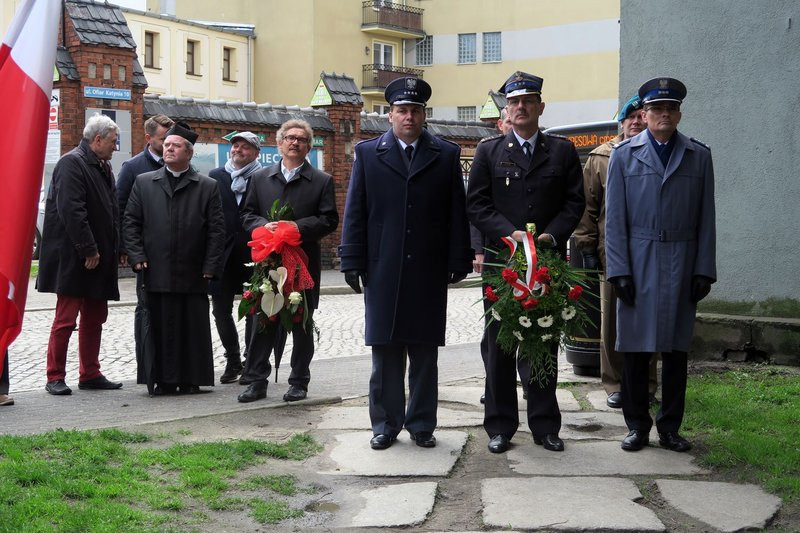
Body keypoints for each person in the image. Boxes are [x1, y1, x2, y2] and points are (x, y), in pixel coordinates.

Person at [339, 77, 473, 450]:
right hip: (382, 267)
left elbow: (455, 212)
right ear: (390, 115)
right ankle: (384, 423)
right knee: (385, 350)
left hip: (427, 268)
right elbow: (356, 210)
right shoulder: (368, 153)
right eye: (402, 111)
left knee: (424, 349)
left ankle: (422, 424)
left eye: (415, 111)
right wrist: (351, 258)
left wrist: (458, 256)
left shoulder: (445, 154)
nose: (408, 117)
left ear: (424, 114)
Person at [467, 71, 585, 454]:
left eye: (528, 101)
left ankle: (545, 425)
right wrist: (510, 234)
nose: (520, 107)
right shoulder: (488, 151)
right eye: (514, 102)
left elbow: (574, 202)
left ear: (540, 107)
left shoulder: (562, 151)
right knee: (500, 344)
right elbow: (478, 204)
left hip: (547, 261)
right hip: (503, 264)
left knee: (543, 341)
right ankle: (500, 426)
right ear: (507, 109)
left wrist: (552, 235)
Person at [605, 77, 716, 452]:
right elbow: (614, 220)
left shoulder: (698, 156)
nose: (663, 114)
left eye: (670, 108)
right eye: (655, 109)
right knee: (635, 350)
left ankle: (670, 426)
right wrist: (618, 271)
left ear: (679, 114)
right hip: (638, 260)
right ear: (644, 114)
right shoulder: (623, 155)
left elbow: (706, 218)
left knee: (675, 351)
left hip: (682, 261)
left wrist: (704, 269)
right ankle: (637, 424)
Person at [237, 119, 339, 404]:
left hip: (302, 264)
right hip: (267, 263)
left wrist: (298, 228)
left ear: (309, 146)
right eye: (290, 138)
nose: (295, 142)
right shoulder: (259, 179)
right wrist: (262, 226)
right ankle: (256, 380)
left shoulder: (321, 180)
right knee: (263, 321)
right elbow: (246, 214)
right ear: (279, 143)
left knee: (301, 322)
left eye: (301, 139)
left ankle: (298, 381)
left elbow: (329, 219)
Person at [123, 123, 226, 395]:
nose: (169, 148)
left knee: (191, 326)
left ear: (189, 153)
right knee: (158, 326)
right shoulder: (145, 182)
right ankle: (161, 379)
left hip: (193, 271)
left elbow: (217, 231)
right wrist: (136, 255)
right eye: (167, 144)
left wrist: (210, 266)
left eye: (176, 145)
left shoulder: (207, 186)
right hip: (154, 269)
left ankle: (191, 379)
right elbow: (130, 223)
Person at [573, 95, 658, 409]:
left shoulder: (656, 153)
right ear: (620, 123)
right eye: (629, 117)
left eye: (640, 116)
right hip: (612, 253)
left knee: (648, 320)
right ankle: (614, 383)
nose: (635, 121)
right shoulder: (601, 157)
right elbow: (587, 209)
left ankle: (647, 385)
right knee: (611, 323)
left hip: (649, 254)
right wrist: (587, 248)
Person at [36, 114, 124, 396]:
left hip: (98, 256)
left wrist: (117, 248)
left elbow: (112, 211)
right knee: (66, 319)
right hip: (76, 257)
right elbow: (72, 211)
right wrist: (88, 249)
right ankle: (55, 376)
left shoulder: (102, 166)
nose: (116, 147)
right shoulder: (71, 163)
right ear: (97, 140)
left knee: (95, 317)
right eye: (113, 141)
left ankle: (90, 373)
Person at [473, 107, 529, 405]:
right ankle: (493, 386)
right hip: (497, 254)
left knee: (534, 324)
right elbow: (476, 209)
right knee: (496, 330)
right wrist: (479, 251)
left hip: (534, 255)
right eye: (508, 120)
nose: (513, 124)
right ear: (501, 123)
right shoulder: (488, 152)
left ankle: (531, 383)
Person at [116, 114, 174, 362]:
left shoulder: (178, 163)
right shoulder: (133, 167)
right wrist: (126, 247)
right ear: (149, 138)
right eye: (164, 139)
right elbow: (120, 209)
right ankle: (148, 361)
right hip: (146, 251)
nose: (169, 145)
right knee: (147, 306)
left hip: (175, 250)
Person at [208, 131, 262, 384]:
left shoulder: (264, 178)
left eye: (244, 146)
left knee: (255, 309)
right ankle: (233, 360)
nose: (238, 149)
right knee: (220, 309)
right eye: (235, 145)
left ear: (256, 152)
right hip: (222, 255)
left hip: (254, 253)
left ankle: (252, 360)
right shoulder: (215, 177)